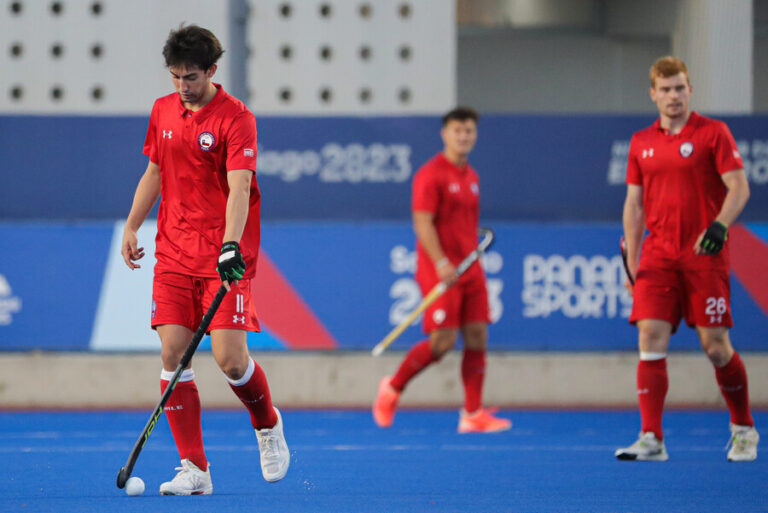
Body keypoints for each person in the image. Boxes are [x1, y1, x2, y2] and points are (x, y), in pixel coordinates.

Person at [120, 25, 289, 494]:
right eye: (175, 76)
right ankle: (195, 469)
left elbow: (240, 188)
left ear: (212, 71)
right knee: (173, 355)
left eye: (190, 77)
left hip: (223, 256)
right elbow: (154, 170)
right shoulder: (162, 111)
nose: (181, 86)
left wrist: (231, 244)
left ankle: (267, 423)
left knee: (231, 362)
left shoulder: (237, 118)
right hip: (173, 252)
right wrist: (133, 225)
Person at [616, 56, 759, 462]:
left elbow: (739, 188)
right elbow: (634, 205)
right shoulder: (640, 141)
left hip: (704, 255)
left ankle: (744, 428)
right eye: (665, 89)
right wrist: (633, 261)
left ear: (690, 90)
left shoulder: (714, 132)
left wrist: (720, 226)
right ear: (653, 94)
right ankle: (651, 438)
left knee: (715, 346)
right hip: (659, 256)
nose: (673, 96)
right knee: (650, 338)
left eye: (680, 88)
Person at [372, 107, 511, 434]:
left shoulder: (472, 177)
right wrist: (441, 263)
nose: (463, 137)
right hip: (440, 270)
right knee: (443, 342)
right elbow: (422, 222)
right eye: (457, 131)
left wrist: (466, 255)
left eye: (469, 131)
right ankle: (392, 387)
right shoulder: (430, 174)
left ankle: (472, 413)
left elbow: (466, 225)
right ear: (445, 134)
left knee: (478, 335)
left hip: (471, 269)